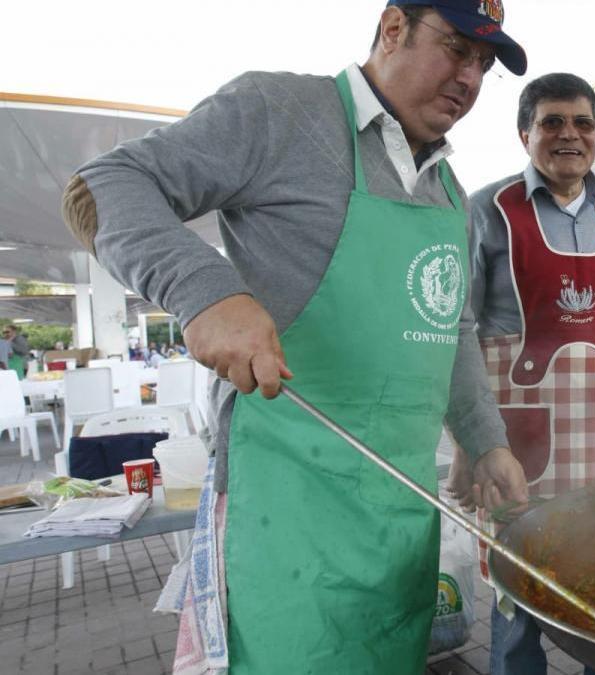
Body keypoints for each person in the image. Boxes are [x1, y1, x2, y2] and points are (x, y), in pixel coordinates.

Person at [61, 2, 529, 672]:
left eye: (483, 63)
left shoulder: (448, 191)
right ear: (393, 27)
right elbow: (105, 185)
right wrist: (207, 293)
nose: (469, 77)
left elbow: (450, 327)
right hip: (287, 525)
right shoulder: (279, 112)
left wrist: (485, 441)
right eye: (456, 48)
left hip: (400, 527)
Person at [455, 71, 595, 675]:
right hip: (518, 441)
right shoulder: (487, 210)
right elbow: (457, 328)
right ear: (524, 133)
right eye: (551, 122)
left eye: (582, 123)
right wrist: (467, 442)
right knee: (518, 594)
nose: (568, 135)